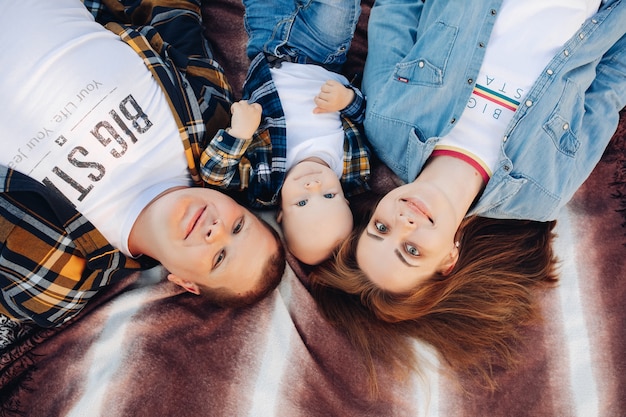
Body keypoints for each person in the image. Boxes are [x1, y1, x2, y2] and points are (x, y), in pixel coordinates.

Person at [311, 0, 626, 393]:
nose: (403, 223)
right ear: (448, 259)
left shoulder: (386, 122)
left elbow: (397, 11)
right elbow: (610, 86)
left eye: (380, 227)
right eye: (411, 251)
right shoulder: (542, 191)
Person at [0, 0, 285, 328]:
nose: (216, 231)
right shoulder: (211, 122)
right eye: (238, 226)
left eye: (219, 257)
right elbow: (171, 19)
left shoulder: (55, 287)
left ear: (184, 283)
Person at [198, 0, 371, 265]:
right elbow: (366, 117)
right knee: (338, 7)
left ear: (280, 215)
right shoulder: (353, 169)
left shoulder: (265, 183)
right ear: (346, 201)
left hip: (270, 46)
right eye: (328, 195)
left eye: (301, 202)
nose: (313, 185)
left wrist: (239, 134)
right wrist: (347, 100)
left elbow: (213, 175)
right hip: (324, 54)